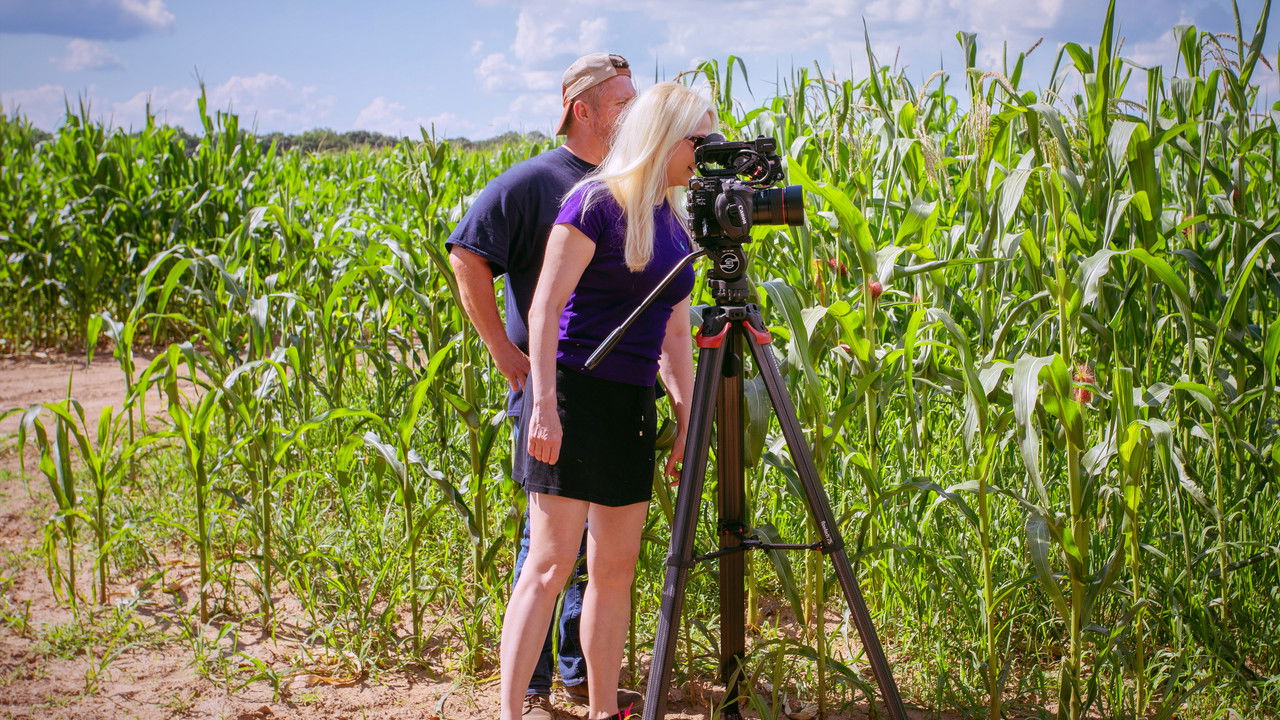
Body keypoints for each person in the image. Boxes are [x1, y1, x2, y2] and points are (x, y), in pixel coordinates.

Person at [500, 82, 715, 720]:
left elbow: (676, 332)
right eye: (698, 141)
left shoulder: (675, 222)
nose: (705, 155)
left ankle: (600, 710)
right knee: (549, 565)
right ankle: (510, 711)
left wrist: (685, 417)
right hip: (573, 392)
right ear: (665, 135)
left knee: (613, 572)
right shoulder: (593, 203)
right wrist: (544, 406)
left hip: (628, 405)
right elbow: (544, 308)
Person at [446, 53, 637, 720]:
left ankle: (577, 676)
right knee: (548, 548)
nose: (633, 113)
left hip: (613, 390)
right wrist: (501, 347)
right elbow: (467, 253)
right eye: (621, 103)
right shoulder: (535, 182)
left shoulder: (627, 183)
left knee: (595, 547)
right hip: (551, 389)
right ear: (582, 110)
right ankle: (525, 690)